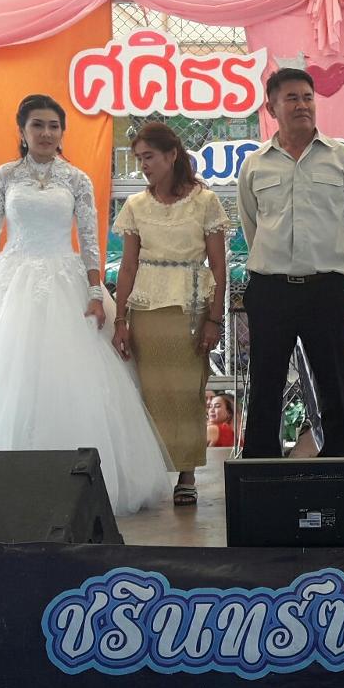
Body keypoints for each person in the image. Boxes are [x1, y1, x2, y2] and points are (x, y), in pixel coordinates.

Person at [0, 94, 168, 514]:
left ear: (62, 132)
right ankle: (4, 479)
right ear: (22, 131)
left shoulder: (77, 179)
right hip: (11, 283)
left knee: (71, 379)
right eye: (37, 125)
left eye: (54, 126)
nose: (46, 133)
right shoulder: (3, 177)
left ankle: (75, 485)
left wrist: (96, 293)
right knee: (6, 379)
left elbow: (89, 240)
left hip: (65, 282)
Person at [237, 67, 344, 458]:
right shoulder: (255, 164)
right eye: (291, 98)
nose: (302, 105)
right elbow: (251, 225)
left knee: (336, 386)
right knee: (265, 387)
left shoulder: (342, 158)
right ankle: (261, 470)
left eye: (307, 97)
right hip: (271, 290)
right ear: (271, 108)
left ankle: (339, 467)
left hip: (325, 288)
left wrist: (323, 257)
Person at [112, 122, 228, 506]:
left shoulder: (205, 202)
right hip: (146, 310)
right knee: (149, 393)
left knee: (187, 392)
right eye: (139, 159)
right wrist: (120, 320)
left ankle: (186, 474)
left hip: (191, 309)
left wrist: (214, 319)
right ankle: (150, 474)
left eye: (149, 156)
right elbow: (127, 267)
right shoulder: (135, 206)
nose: (143, 165)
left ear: (172, 154)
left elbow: (218, 265)